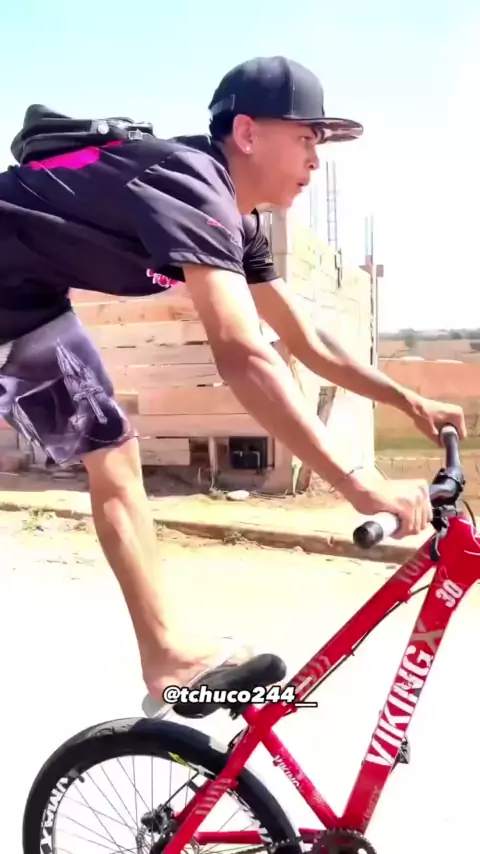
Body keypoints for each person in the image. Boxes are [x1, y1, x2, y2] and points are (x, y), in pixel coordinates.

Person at [0, 55, 466, 705]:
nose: (315, 160)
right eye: (305, 138)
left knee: (112, 451)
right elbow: (243, 354)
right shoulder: (193, 182)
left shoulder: (239, 226)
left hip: (23, 306)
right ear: (246, 133)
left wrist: (405, 398)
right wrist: (359, 484)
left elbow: (306, 342)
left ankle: (166, 656)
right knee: (114, 453)